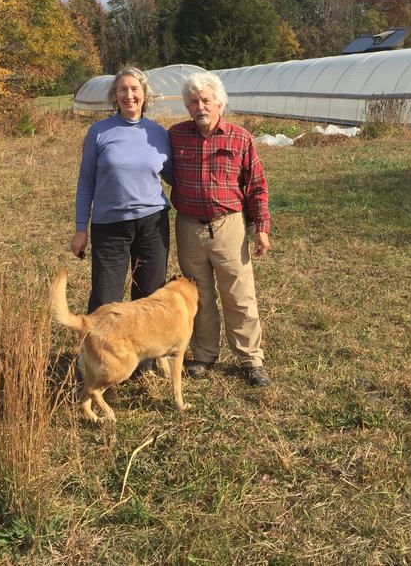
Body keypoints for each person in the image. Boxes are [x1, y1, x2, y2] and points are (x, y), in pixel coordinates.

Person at [169, 71, 272, 387]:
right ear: (187, 106)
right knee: (198, 296)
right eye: (193, 101)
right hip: (189, 228)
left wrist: (262, 228)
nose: (200, 106)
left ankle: (250, 359)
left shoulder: (240, 138)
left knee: (239, 295)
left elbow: (256, 185)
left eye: (205, 100)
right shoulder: (175, 136)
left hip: (228, 226)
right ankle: (203, 354)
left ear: (219, 103)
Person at [71, 67, 173, 319]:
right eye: (122, 89)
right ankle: (96, 356)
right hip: (110, 227)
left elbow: (174, 177)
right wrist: (81, 228)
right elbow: (86, 182)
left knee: (149, 299)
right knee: (105, 301)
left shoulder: (158, 133)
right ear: (114, 96)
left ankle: (144, 358)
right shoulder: (99, 131)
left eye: (135, 89)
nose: (129, 95)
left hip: (152, 225)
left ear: (145, 95)